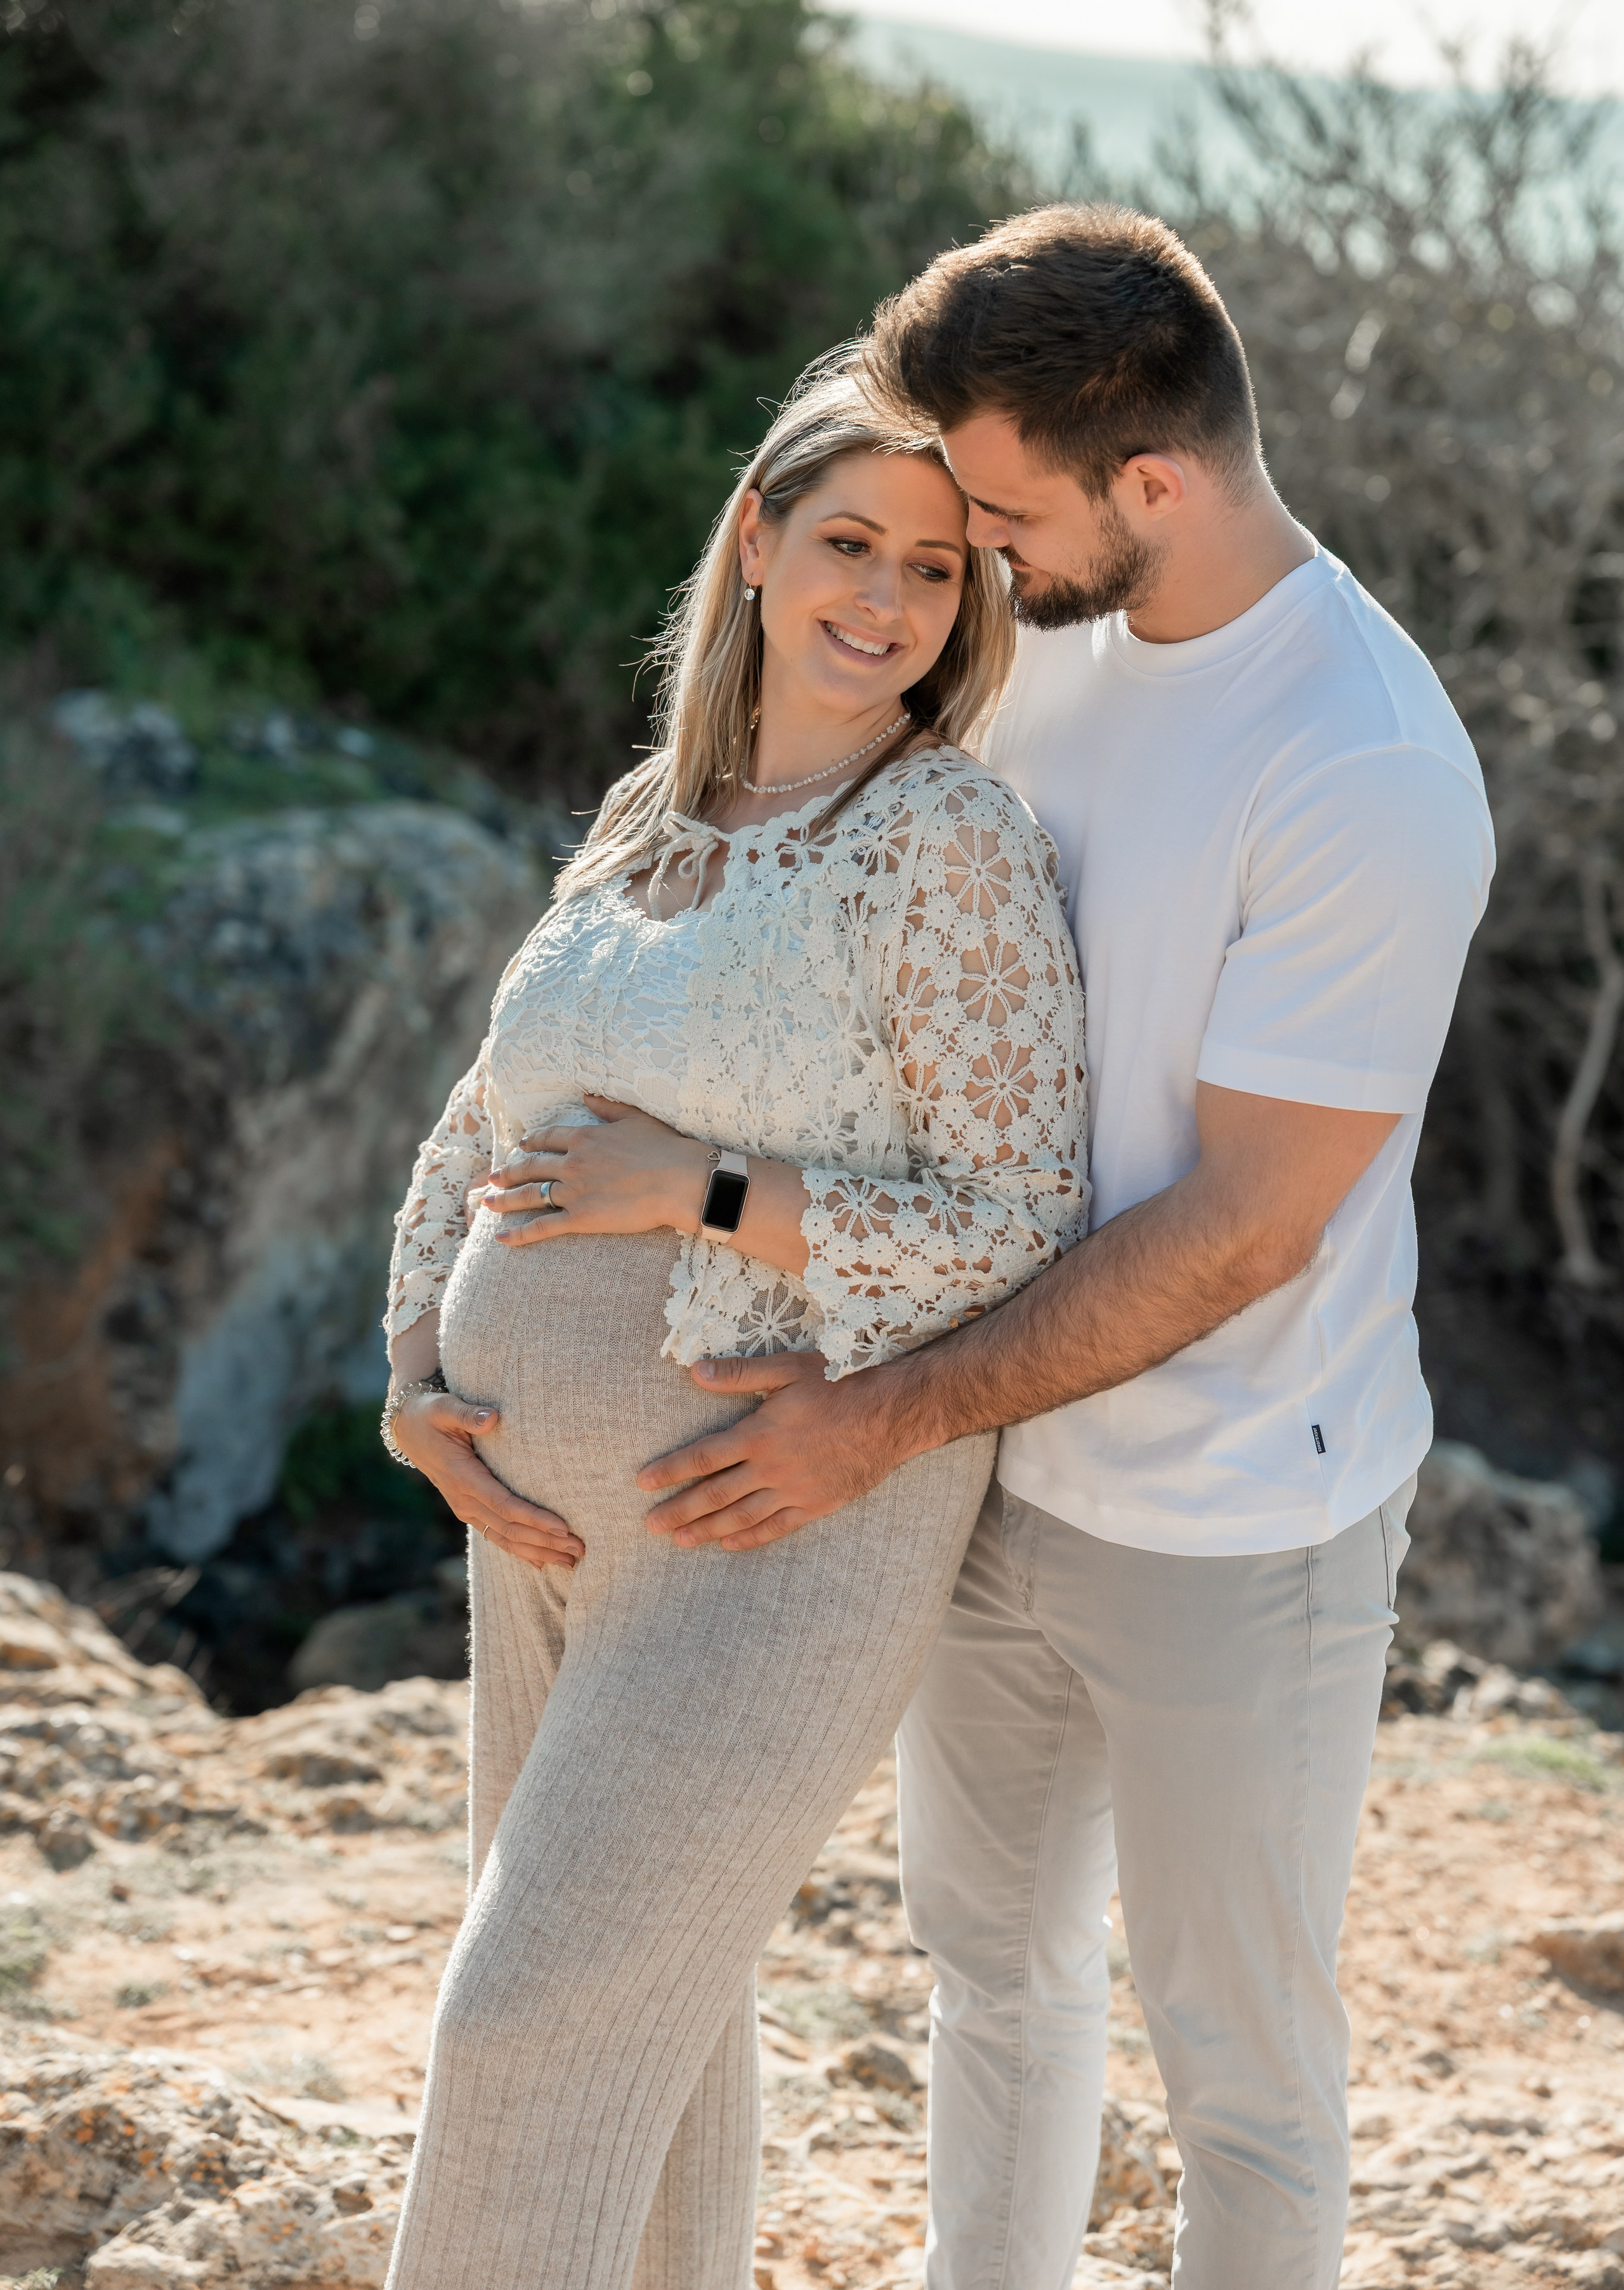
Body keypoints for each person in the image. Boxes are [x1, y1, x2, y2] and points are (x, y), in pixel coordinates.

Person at [635, 207, 1496, 2289]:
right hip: (985, 1471)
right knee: (992, 1979)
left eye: (1008, 513)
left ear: (1155, 483)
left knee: (1242, 2074)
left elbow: (1244, 1229)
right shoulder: (1052, 646)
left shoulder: (1366, 765)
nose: (981, 554)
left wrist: (874, 1418)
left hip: (1233, 1516)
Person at [377, 356, 1089, 2290]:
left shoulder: (945, 838)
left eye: (936, 569)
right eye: (851, 542)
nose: (889, 598)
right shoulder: (656, 812)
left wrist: (704, 1188)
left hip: (768, 1526)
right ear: (757, 541)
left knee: (524, 2028)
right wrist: (416, 1372)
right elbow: (489, 1110)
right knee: (649, 2037)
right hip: (532, 1524)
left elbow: (1018, 1217)